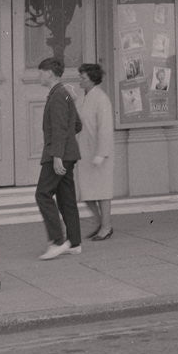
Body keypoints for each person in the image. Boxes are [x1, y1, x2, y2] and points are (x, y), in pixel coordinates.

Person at [34, 57, 83, 259]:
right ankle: (74, 242)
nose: (39, 75)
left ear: (50, 73)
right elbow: (76, 125)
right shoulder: (64, 94)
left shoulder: (57, 96)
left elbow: (61, 129)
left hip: (58, 154)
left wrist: (57, 156)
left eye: (41, 72)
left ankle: (57, 241)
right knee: (66, 198)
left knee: (42, 194)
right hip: (67, 154)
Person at [76, 63, 115, 240]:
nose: (80, 81)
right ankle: (101, 223)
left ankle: (106, 227)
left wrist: (101, 153)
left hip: (99, 153)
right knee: (87, 192)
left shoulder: (101, 99)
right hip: (85, 151)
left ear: (92, 79)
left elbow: (105, 129)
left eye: (83, 78)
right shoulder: (82, 97)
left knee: (102, 191)